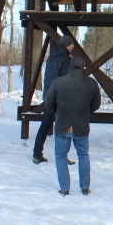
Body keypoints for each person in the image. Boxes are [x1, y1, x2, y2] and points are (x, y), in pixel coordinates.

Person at [44, 56, 101, 196]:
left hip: (63, 124)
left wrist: (58, 112)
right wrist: (85, 112)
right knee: (83, 155)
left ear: (70, 67)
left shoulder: (59, 82)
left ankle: (64, 188)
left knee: (60, 155)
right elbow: (96, 104)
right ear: (83, 68)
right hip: (81, 125)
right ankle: (85, 187)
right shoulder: (91, 84)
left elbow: (48, 102)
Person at [33, 34, 75, 164]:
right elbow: (67, 81)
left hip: (49, 96)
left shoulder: (52, 57)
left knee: (45, 125)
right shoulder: (66, 59)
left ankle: (36, 154)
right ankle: (62, 156)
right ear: (67, 45)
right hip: (60, 97)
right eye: (72, 44)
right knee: (63, 127)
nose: (73, 46)